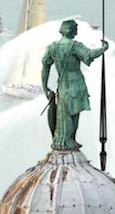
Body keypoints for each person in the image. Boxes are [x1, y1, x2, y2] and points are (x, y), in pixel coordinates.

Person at [41, 20, 108, 150]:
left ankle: (66, 139)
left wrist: (45, 88)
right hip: (76, 84)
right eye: (75, 29)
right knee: (74, 114)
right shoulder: (75, 46)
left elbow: (45, 67)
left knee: (64, 113)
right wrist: (104, 48)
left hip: (62, 86)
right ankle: (70, 140)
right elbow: (90, 54)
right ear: (70, 30)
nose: (77, 32)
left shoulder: (52, 47)